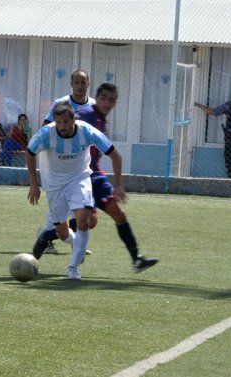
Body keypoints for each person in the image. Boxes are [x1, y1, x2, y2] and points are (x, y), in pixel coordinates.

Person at [33, 84, 159, 272]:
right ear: (97, 98)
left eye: (112, 99)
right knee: (88, 220)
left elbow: (111, 153)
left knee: (114, 214)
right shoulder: (85, 117)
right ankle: (50, 235)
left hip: (96, 176)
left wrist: (117, 185)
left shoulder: (101, 119)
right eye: (104, 98)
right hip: (78, 177)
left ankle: (137, 259)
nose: (107, 103)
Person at [26, 102, 124, 280]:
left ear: (74, 119)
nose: (61, 127)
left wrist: (117, 185)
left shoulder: (87, 131)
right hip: (55, 184)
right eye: (58, 123)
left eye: (65, 122)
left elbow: (115, 155)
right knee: (63, 233)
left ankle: (73, 268)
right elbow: (30, 152)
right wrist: (34, 184)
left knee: (84, 220)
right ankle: (64, 240)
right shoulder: (47, 134)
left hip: (79, 178)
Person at [39, 69, 96, 253]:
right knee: (64, 203)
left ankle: (58, 238)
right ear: (71, 84)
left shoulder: (94, 106)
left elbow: (97, 134)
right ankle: (50, 237)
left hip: (81, 162)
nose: (80, 86)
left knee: (74, 205)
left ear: (88, 84)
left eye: (83, 82)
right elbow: (46, 129)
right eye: (76, 82)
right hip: (58, 164)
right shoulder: (61, 103)